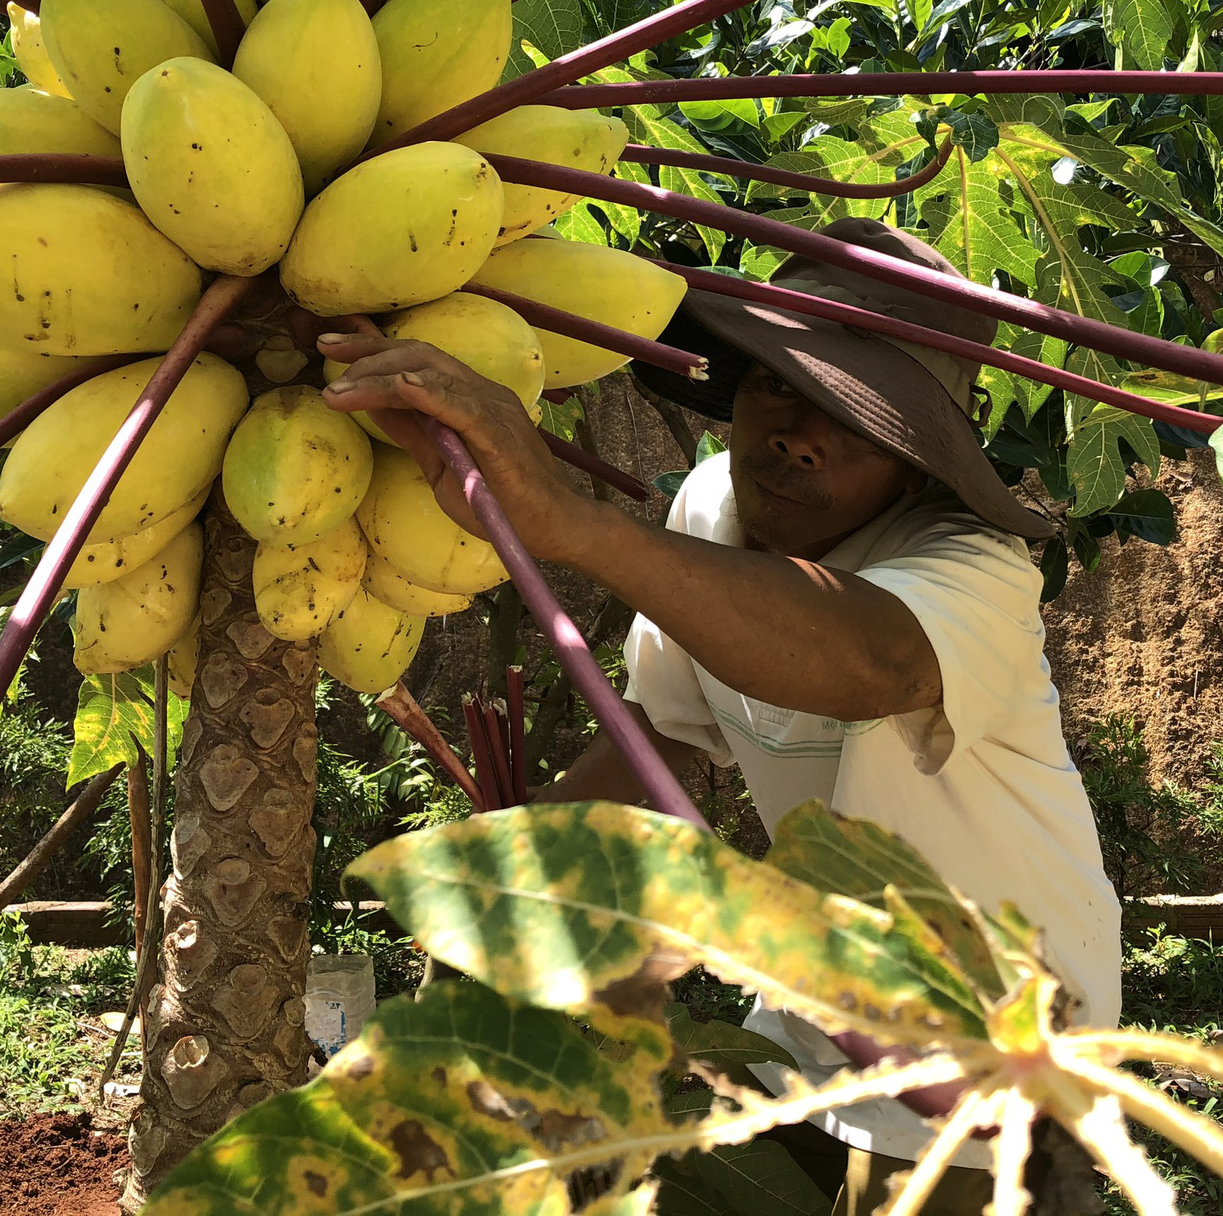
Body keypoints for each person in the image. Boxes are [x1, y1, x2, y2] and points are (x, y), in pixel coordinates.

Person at [317, 217, 1120, 1215]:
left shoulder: (974, 571)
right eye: (776, 386)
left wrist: (571, 524)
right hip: (813, 1025)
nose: (794, 433)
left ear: (915, 465)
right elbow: (667, 735)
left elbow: (869, 660)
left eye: (853, 416)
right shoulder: (706, 509)